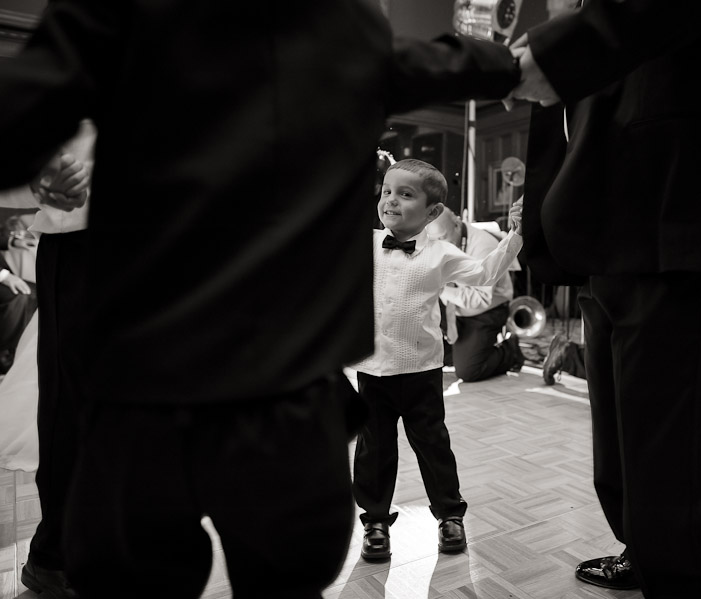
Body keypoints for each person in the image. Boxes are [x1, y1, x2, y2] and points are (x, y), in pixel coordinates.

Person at [0, 2, 521, 597]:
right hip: (187, 365)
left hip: (252, 377)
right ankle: (55, 553)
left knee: (251, 554)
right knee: (160, 550)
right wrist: (516, 61)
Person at [508, 2, 701, 597]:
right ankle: (640, 554)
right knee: (619, 461)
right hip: (608, 227)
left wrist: (563, 45)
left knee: (672, 492)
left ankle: (673, 568)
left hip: (684, 213)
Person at [351, 159, 523, 561]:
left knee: (433, 446)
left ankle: (450, 516)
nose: (391, 199)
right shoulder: (363, 244)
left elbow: (484, 274)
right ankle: (375, 522)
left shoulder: (442, 253)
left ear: (432, 212)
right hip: (372, 369)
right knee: (373, 450)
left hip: (421, 371)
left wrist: (516, 234)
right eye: (387, 191)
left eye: (405, 194)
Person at [0, 123, 92, 598]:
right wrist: (36, 174)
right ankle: (54, 555)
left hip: (174, 237)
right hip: (85, 237)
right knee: (72, 403)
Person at [425, 207, 525, 381]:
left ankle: (511, 351)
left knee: (469, 372)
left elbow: (482, 299)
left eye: (442, 237)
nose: (438, 244)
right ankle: (456, 350)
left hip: (486, 311)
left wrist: (441, 289)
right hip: (456, 307)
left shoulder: (482, 246)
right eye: (434, 240)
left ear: (457, 224)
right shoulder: (442, 242)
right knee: (428, 354)